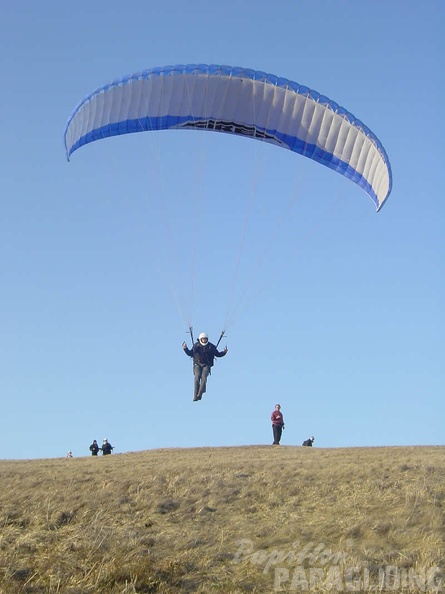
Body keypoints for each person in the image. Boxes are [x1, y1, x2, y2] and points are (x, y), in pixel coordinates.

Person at [182, 332, 228, 401]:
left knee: (204, 377)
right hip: (197, 364)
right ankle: (195, 394)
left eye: (205, 339)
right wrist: (185, 348)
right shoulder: (196, 346)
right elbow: (190, 353)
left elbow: (217, 354)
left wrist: (224, 352)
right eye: (203, 339)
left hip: (206, 365)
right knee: (197, 377)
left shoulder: (211, 346)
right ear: (200, 339)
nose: (204, 341)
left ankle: (200, 393)